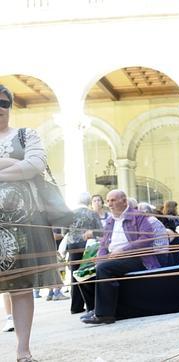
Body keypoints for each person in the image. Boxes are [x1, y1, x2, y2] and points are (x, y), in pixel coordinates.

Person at [0, 84, 61, 361]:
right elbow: (23, 167)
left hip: (24, 223)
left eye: (3, 103)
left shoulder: (26, 134)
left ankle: (23, 351)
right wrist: (13, 165)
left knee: (21, 287)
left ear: (10, 106)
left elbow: (35, 164)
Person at [80, 190, 160, 325]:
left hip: (137, 258)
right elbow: (104, 245)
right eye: (108, 201)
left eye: (113, 200)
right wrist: (100, 259)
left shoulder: (138, 216)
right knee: (85, 272)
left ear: (124, 201)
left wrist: (123, 250)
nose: (109, 204)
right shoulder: (110, 220)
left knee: (104, 268)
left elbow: (147, 239)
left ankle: (105, 314)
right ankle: (95, 308)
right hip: (114, 258)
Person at [67, 192, 103, 314]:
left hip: (72, 245)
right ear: (88, 201)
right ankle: (90, 304)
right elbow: (100, 231)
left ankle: (75, 307)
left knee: (74, 274)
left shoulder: (69, 214)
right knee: (87, 272)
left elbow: (63, 232)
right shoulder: (92, 213)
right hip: (88, 245)